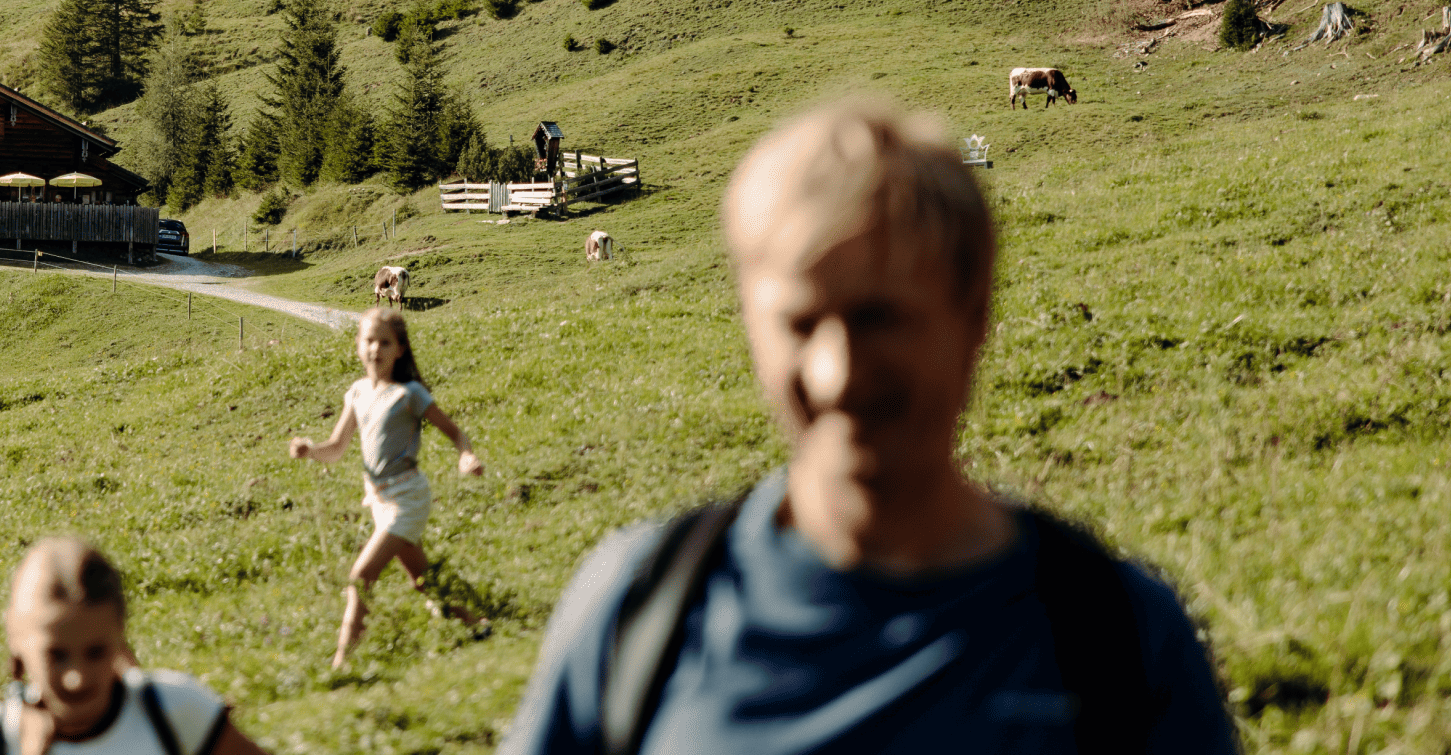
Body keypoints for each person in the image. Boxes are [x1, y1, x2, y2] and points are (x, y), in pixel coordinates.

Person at [500, 99, 1236, 754]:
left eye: (879, 318)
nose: (836, 373)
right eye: (798, 322)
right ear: (750, 326)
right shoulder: (638, 609)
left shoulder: (1115, 638)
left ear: (973, 313)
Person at [288, 307, 486, 669]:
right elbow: (336, 448)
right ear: (358, 346)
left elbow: (456, 432)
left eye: (384, 342)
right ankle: (476, 626)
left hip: (407, 498)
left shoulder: (409, 394)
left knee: (359, 578)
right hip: (380, 501)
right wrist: (309, 450)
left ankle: (341, 666)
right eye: (368, 340)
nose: (375, 349)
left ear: (400, 349)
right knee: (422, 581)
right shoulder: (357, 393)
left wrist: (466, 457)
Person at [0, 536, 271, 755]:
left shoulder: (173, 710)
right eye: (56, 655)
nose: (76, 677)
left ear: (120, 635)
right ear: (16, 639)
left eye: (96, 652)